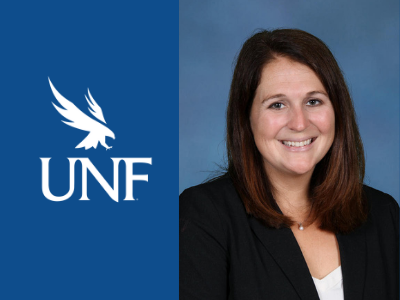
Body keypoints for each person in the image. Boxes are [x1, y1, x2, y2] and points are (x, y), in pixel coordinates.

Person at [179, 29, 399, 300]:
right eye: (277, 105)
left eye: (313, 101)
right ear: (247, 119)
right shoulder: (205, 216)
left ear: (338, 111)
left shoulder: (382, 214)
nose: (299, 122)